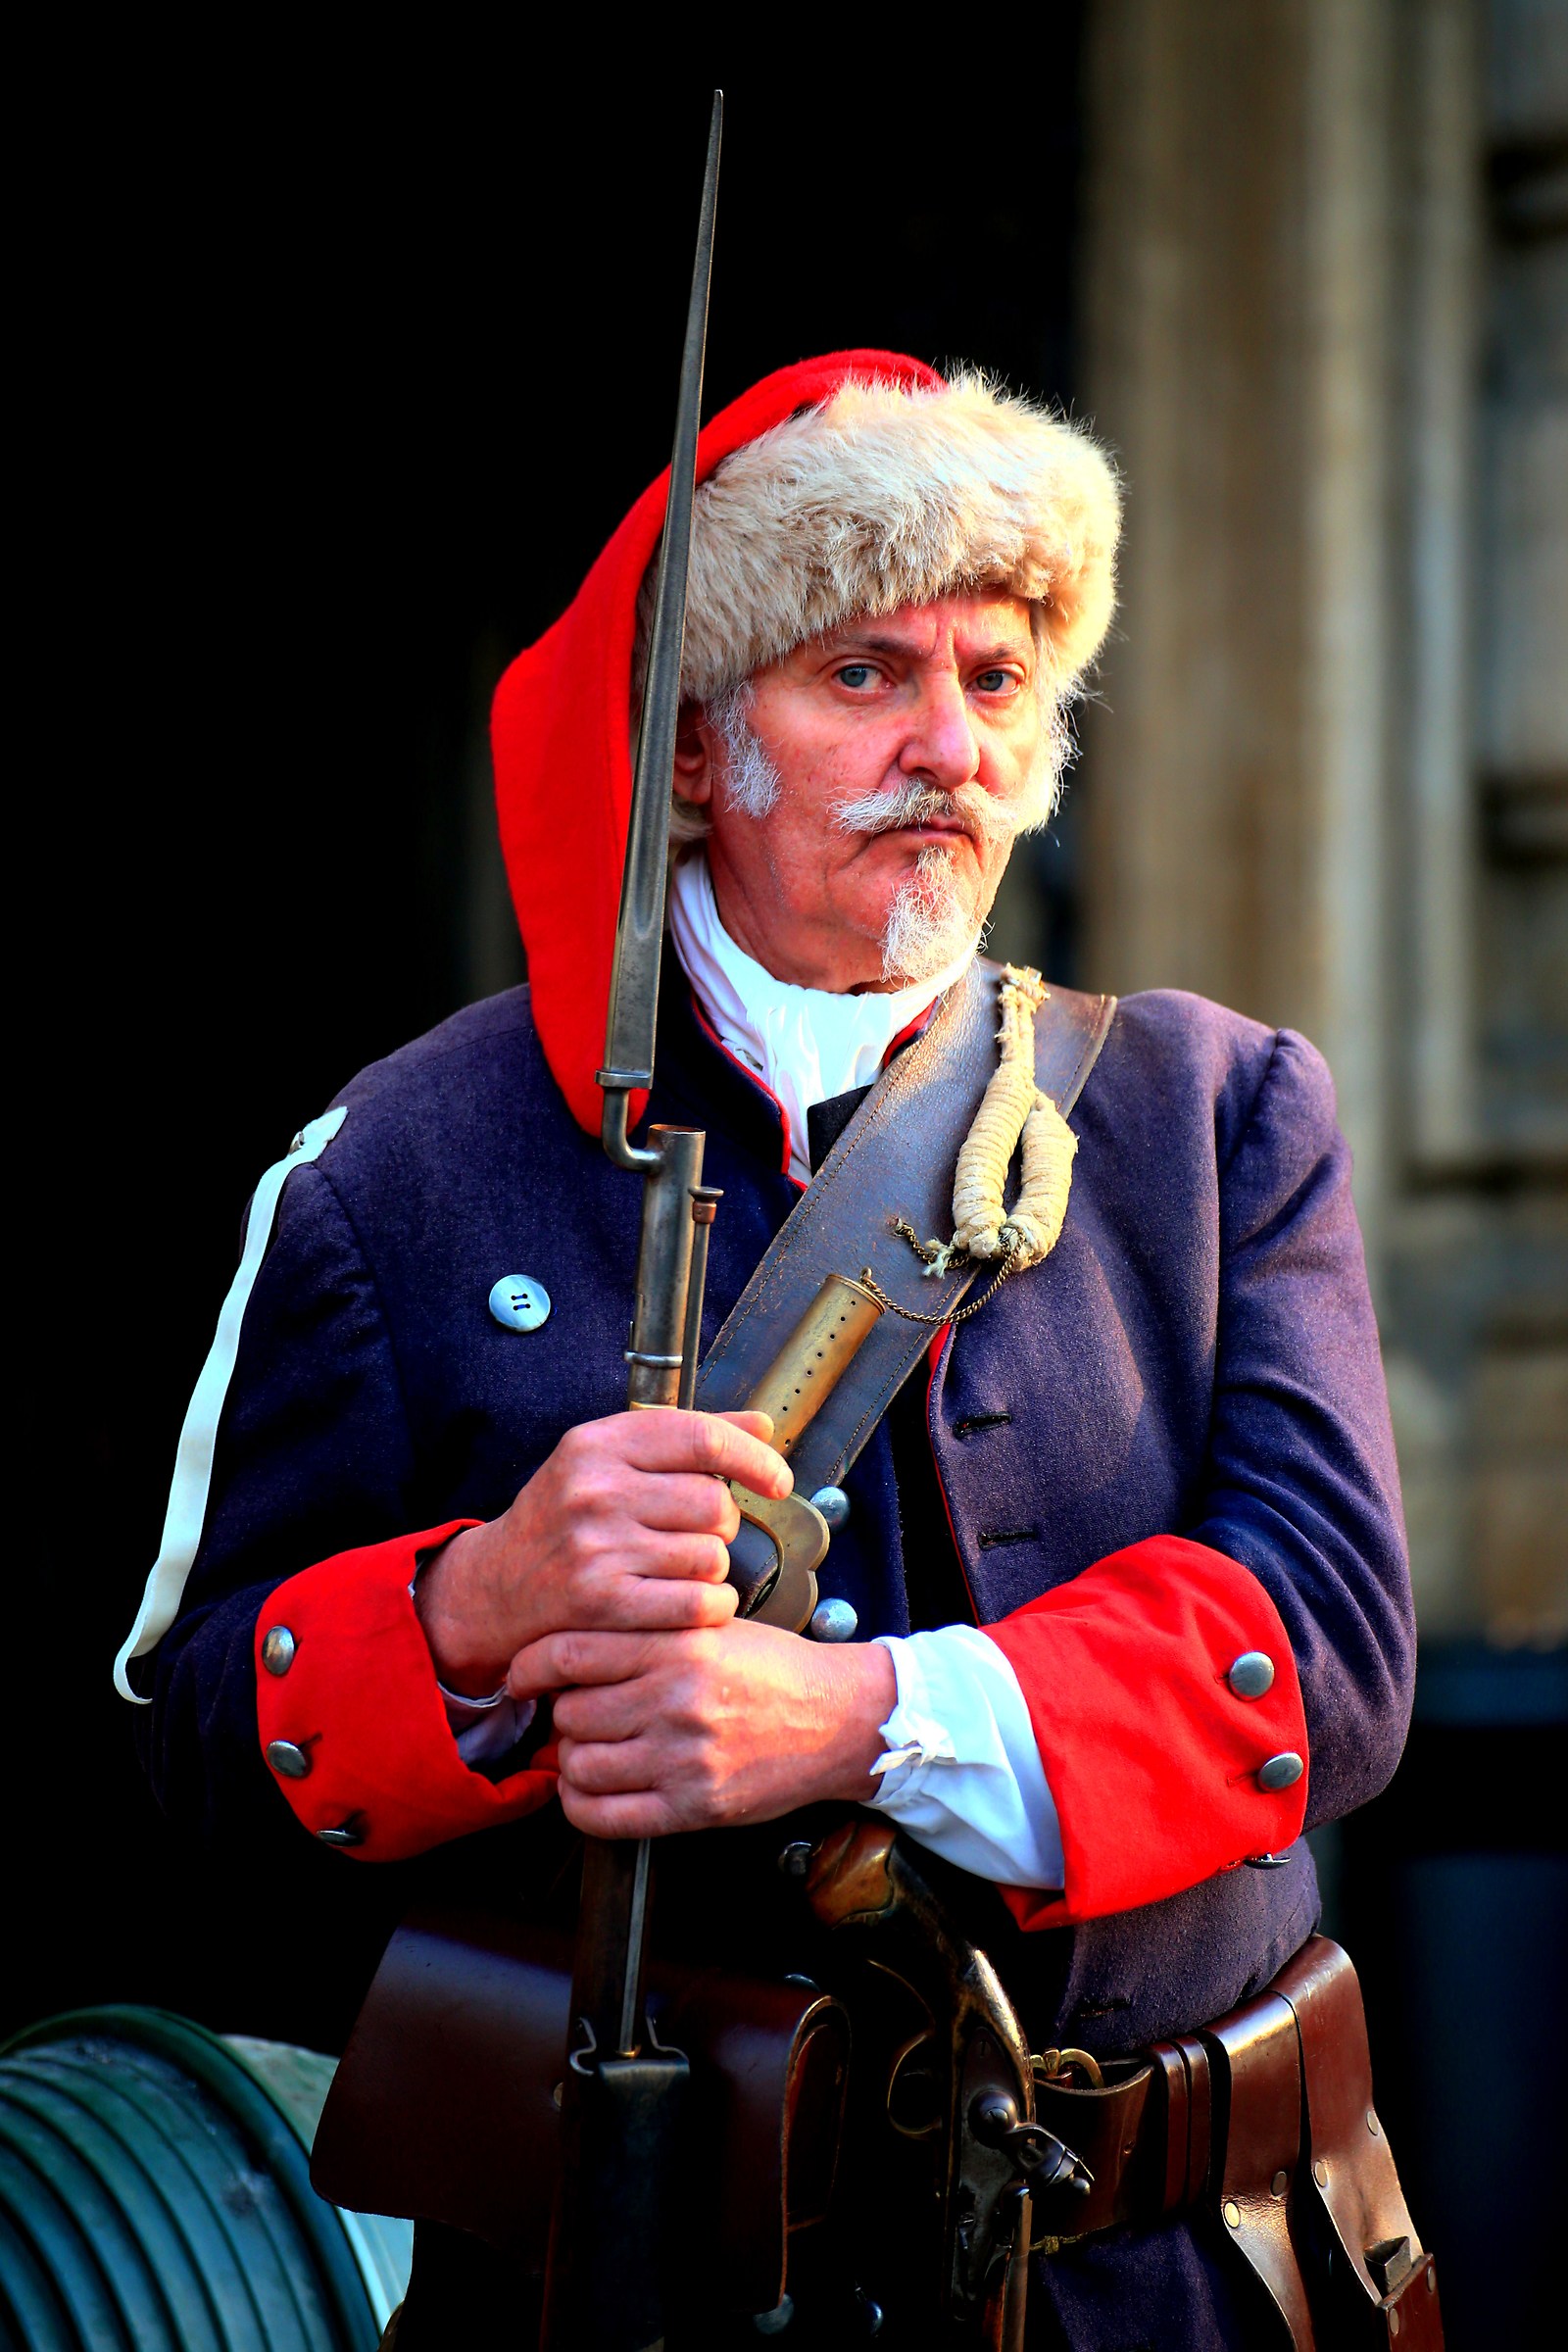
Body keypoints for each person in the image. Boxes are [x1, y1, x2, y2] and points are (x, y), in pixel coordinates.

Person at [118, 353, 1416, 2347]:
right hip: (634, 2281)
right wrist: (470, 1612)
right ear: (700, 752)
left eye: (994, 678)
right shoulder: (391, 1173)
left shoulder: (1217, 1112)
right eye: (863, 677)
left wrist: (858, 1719)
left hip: (1174, 2283)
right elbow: (198, 1765)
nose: (951, 749)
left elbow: (1323, 1659)